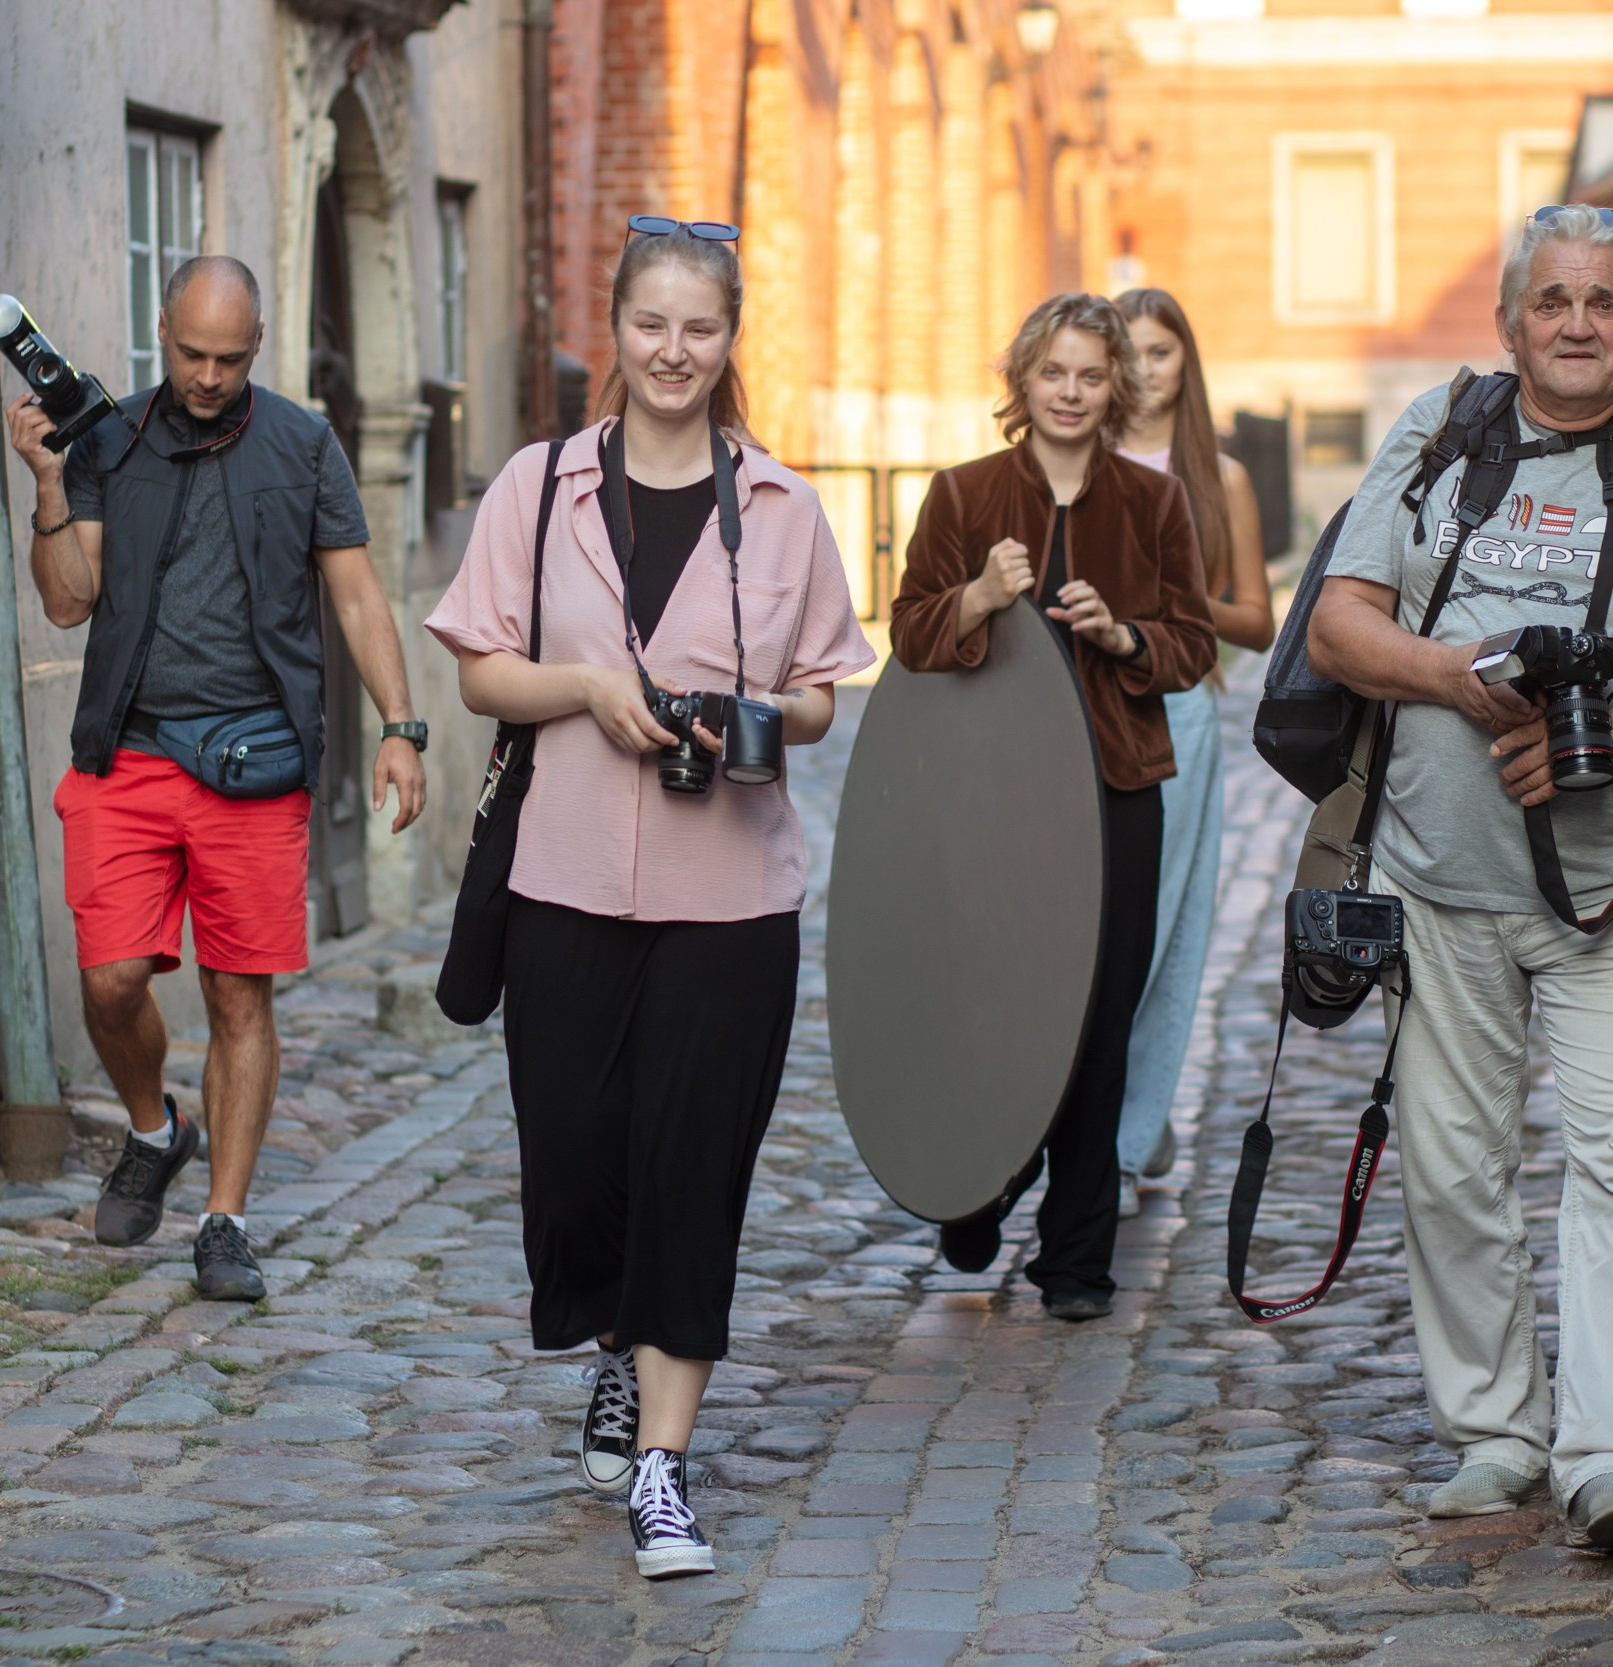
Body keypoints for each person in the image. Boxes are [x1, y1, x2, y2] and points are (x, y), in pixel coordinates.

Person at [1308, 204, 1613, 1547]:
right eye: (1553, 300)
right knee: (1451, 1166)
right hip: (1433, 873)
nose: (1578, 324)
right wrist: (1462, 680)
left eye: (1604, 303)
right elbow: (1345, 624)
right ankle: (1491, 1432)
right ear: (1511, 319)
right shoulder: (1437, 433)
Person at [426, 220, 873, 1579]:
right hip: (561, 877)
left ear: (733, 339)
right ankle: (613, 1336)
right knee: (575, 1160)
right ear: (614, 328)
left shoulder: (786, 506)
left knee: (693, 1171)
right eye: (652, 324)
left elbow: (817, 691)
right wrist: (591, 692)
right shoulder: (540, 483)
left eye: (702, 327)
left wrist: (754, 715)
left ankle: (665, 1465)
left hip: (727, 895)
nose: (675, 351)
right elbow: (482, 671)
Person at [8, 255, 427, 1304]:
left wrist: (401, 726)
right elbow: (68, 602)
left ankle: (224, 1219)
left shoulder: (302, 444)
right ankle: (157, 1128)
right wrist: (51, 483)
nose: (206, 374)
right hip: (132, 751)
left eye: (228, 358)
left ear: (259, 343)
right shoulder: (111, 437)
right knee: (110, 979)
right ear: (164, 331)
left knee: (241, 994)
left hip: (255, 760)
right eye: (191, 353)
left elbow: (360, 596)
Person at [892, 292, 1217, 1322]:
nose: (1070, 392)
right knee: (998, 1004)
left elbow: (1196, 645)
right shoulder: (961, 495)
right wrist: (980, 598)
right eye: (1052, 373)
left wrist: (1124, 639)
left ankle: (1075, 1258)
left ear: (1112, 385)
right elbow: (907, 636)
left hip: (1119, 790)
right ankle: (984, 1181)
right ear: (1021, 382)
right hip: (994, 799)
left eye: (1089, 375)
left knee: (1098, 1020)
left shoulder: (1152, 503)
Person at [1109, 288, 1275, 1218]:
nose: (1144, 369)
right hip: (1079, 717)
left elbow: (1257, 621)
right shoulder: (1075, 462)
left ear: (1186, 363)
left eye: (1161, 351)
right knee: (1089, 929)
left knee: (1162, 929)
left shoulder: (1221, 477)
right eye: (1127, 351)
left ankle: (1128, 1143)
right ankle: (1130, 1110)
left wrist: (1168, 600)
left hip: (1179, 712)